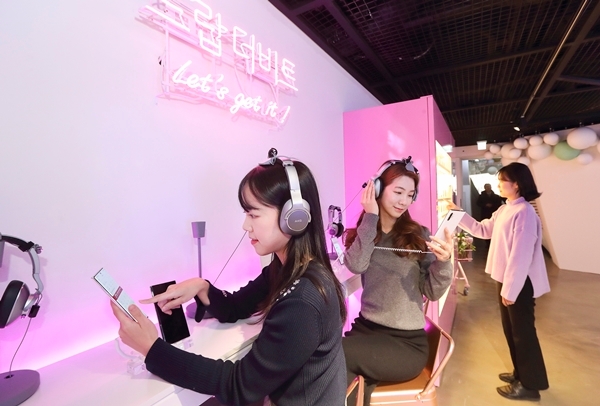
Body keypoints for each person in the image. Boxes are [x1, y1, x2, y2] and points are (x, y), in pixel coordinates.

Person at [110, 152, 348, 405]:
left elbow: (240, 386)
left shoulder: (303, 300)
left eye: (253, 214)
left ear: (294, 217)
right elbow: (236, 307)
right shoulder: (286, 269)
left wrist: (152, 349)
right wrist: (202, 287)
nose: (246, 225)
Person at [342, 158, 454, 405]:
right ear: (378, 189)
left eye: (410, 195)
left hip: (405, 344)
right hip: (366, 331)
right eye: (398, 192)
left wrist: (444, 262)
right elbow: (356, 265)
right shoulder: (366, 231)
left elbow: (432, 292)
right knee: (332, 373)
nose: (404, 201)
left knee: (334, 355)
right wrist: (370, 217)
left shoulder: (418, 235)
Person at [448, 162, 550, 401]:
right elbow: (482, 230)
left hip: (519, 282)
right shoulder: (506, 209)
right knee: (512, 330)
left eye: (503, 180)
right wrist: (457, 214)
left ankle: (530, 386)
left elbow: (521, 255)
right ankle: (521, 374)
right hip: (508, 280)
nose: (498, 184)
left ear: (517, 184)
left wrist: (511, 290)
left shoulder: (524, 213)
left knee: (522, 333)